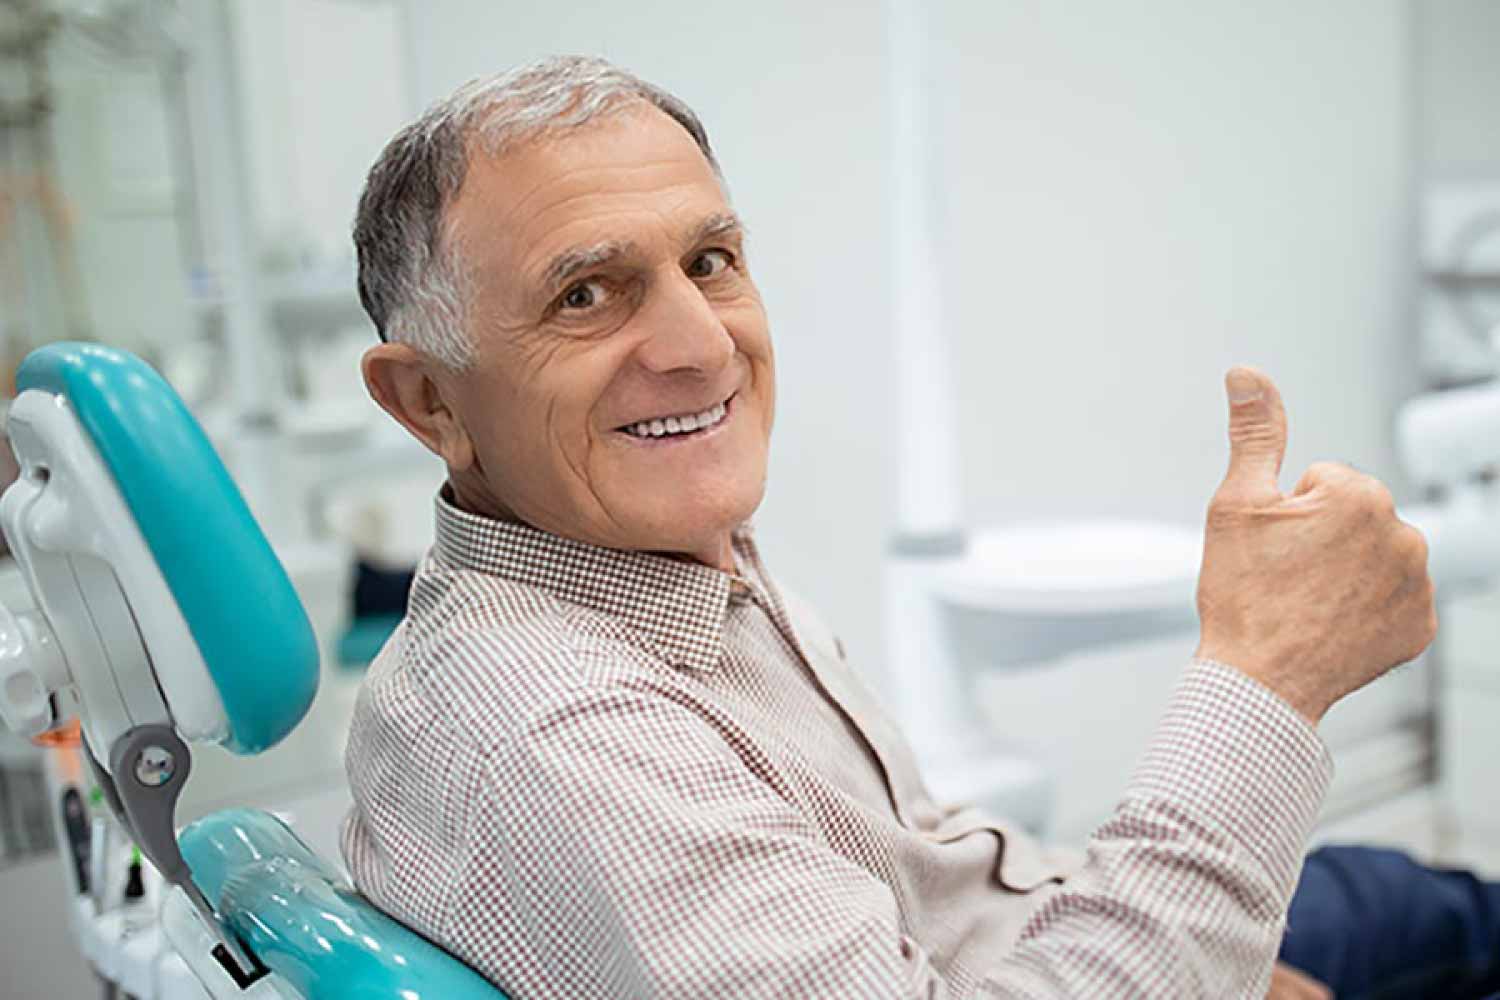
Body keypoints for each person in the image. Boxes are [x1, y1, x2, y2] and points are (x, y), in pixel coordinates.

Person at [340, 55, 1500, 998]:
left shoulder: (665, 562)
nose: (701, 345)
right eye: (584, 293)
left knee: (1408, 896)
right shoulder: (562, 730)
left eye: (710, 260)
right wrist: (1266, 677)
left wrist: (1225, 967)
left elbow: (919, 864)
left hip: (1053, 936)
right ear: (429, 400)